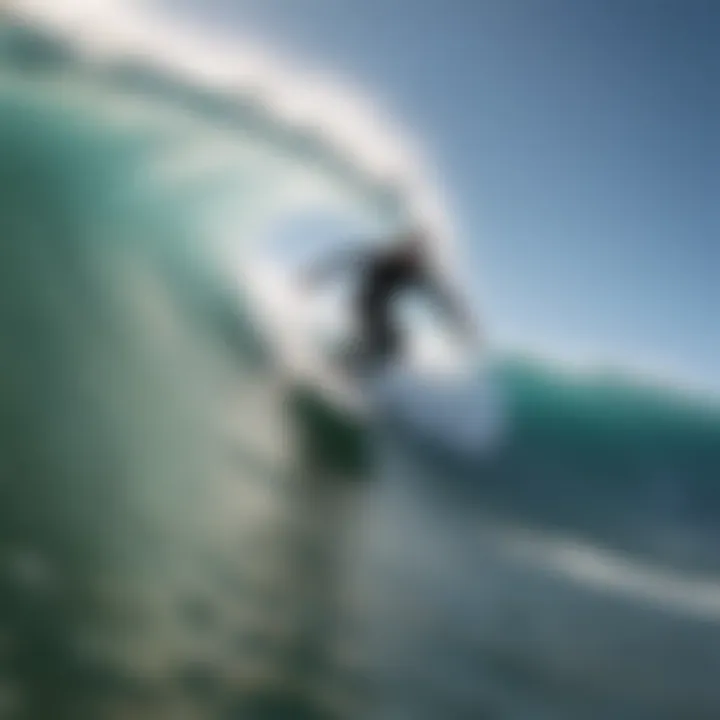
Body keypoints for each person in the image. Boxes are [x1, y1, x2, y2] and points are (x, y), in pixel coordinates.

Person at [302, 227, 480, 372]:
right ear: (404, 247)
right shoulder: (383, 257)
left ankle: (348, 366)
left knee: (395, 344)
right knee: (384, 340)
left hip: (379, 309)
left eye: (417, 253)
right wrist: (317, 275)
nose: (412, 256)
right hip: (363, 302)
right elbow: (347, 259)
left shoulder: (415, 273)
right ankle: (343, 364)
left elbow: (441, 299)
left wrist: (462, 327)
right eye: (410, 249)